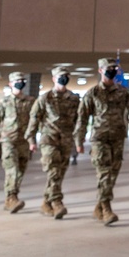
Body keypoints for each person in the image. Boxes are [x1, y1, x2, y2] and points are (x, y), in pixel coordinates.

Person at [75, 58, 129, 226]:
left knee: (113, 174)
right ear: (100, 70)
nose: (113, 70)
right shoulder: (92, 93)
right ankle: (106, 208)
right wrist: (79, 140)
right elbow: (82, 118)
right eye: (109, 68)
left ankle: (99, 207)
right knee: (104, 174)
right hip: (99, 138)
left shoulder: (123, 92)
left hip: (118, 138)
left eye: (115, 68)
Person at [25, 66, 81, 219]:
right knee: (53, 171)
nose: (64, 78)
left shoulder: (74, 99)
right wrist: (31, 140)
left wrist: (79, 139)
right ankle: (57, 202)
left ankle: (46, 202)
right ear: (54, 78)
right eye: (61, 76)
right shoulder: (45, 98)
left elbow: (78, 120)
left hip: (66, 140)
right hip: (49, 140)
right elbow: (34, 119)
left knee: (59, 173)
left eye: (66, 76)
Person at [0, 72, 34, 213]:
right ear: (10, 84)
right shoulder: (3, 102)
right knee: (12, 169)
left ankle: (11, 197)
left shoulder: (30, 101)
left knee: (21, 170)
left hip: (24, 141)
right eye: (17, 80)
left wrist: (33, 139)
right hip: (8, 141)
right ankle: (11, 198)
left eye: (22, 80)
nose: (20, 82)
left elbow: (35, 121)